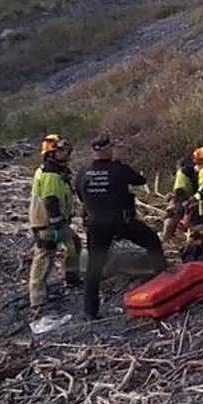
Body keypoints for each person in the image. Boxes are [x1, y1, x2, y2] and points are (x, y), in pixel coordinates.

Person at [75, 134, 167, 320]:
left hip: (95, 224)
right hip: (120, 221)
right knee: (152, 241)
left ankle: (89, 311)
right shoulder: (118, 169)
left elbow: (79, 194)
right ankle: (164, 282)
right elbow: (140, 181)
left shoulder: (84, 172)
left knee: (94, 267)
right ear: (108, 149)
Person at [27, 135, 82, 317]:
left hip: (56, 221)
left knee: (73, 244)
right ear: (51, 153)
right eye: (62, 151)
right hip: (47, 223)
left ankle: (71, 279)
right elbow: (50, 200)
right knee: (44, 256)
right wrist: (57, 223)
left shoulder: (57, 172)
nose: (66, 154)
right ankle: (38, 299)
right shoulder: (50, 174)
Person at [162, 146, 203, 240]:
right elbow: (180, 191)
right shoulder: (185, 173)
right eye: (201, 161)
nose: (202, 163)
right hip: (183, 198)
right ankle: (166, 237)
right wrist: (186, 202)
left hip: (200, 200)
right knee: (174, 215)